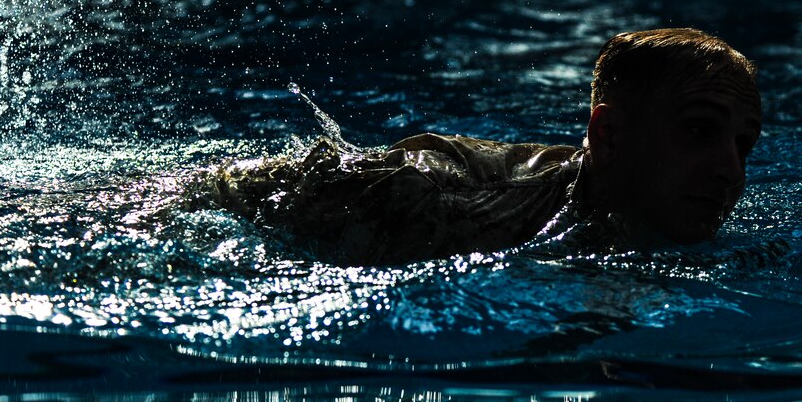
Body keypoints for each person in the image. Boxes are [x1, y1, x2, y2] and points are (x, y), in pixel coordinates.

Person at [194, 28, 762, 265]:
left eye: (744, 144)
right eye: (698, 131)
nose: (729, 173)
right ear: (608, 136)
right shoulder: (454, 211)